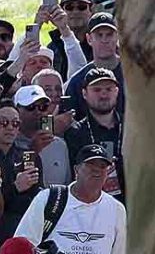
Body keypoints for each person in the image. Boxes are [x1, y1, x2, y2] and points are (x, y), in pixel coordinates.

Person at [0, 103, 37, 254]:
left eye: (15, 123)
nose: (10, 128)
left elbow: (33, 202)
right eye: (4, 123)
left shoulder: (28, 158)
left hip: (22, 240)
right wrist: (15, 188)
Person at [62, 68, 123, 202]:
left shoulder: (129, 128)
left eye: (109, 89)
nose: (103, 94)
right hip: (90, 205)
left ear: (117, 92)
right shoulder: (75, 132)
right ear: (84, 93)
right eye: (97, 90)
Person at [64, 13, 123, 120]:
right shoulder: (77, 82)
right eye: (99, 35)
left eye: (109, 34)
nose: (104, 40)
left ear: (117, 37)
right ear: (89, 39)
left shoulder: (132, 76)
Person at [12, 86, 68, 186]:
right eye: (30, 107)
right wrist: (33, 151)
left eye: (43, 107)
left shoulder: (60, 145)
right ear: (17, 110)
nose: (38, 112)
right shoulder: (10, 142)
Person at [47, 0, 94, 81]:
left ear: (91, 10)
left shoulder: (100, 44)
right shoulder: (53, 47)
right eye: (69, 7)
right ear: (62, 10)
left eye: (81, 7)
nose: (75, 11)